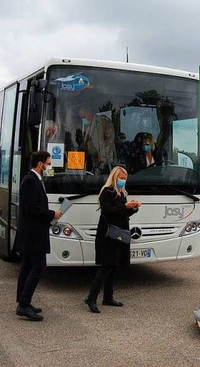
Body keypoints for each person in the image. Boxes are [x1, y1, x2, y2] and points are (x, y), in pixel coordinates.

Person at [84, 166, 141, 313]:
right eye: (120, 178)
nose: (122, 181)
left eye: (124, 179)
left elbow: (123, 214)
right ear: (114, 177)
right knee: (106, 266)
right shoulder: (107, 191)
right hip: (108, 234)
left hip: (119, 234)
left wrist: (133, 208)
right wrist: (124, 206)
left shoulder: (121, 193)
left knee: (114, 266)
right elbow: (107, 211)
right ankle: (91, 298)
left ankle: (108, 297)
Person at [14, 151, 63, 321]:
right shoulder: (30, 181)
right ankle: (24, 305)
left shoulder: (35, 180)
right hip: (32, 234)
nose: (49, 166)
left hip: (33, 233)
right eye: (48, 163)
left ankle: (23, 302)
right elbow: (31, 208)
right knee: (39, 267)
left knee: (27, 266)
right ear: (40, 164)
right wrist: (52, 214)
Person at [79, 105, 117, 173]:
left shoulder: (103, 121)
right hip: (93, 162)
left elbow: (109, 140)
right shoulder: (88, 126)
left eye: (79, 109)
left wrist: (102, 158)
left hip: (105, 164)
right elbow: (87, 144)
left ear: (87, 111)